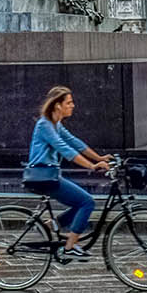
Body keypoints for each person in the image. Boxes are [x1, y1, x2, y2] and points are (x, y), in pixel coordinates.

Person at [22, 85, 109, 261]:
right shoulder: (44, 125)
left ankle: (51, 225)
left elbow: (75, 142)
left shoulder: (56, 124)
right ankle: (69, 247)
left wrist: (99, 157)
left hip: (50, 175)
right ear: (57, 105)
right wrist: (92, 166)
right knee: (87, 202)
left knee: (80, 203)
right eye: (69, 102)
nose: (73, 105)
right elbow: (65, 150)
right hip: (43, 177)